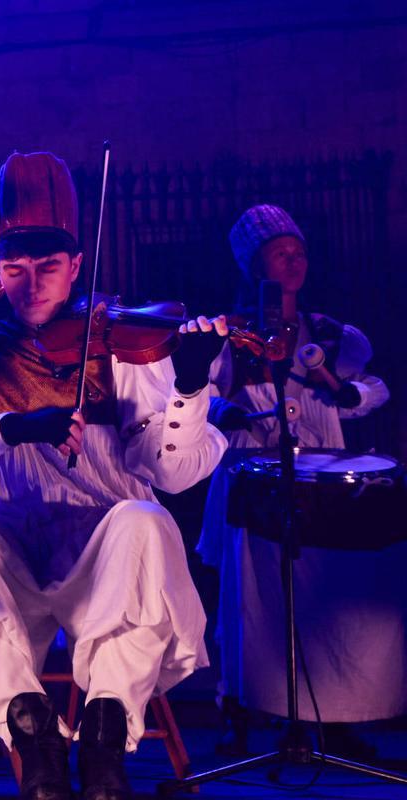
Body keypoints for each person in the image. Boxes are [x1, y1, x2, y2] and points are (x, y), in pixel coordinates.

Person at [0, 151, 228, 800]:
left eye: (48, 267)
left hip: (99, 570)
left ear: (77, 265)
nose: (32, 284)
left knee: (144, 519)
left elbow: (171, 472)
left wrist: (189, 389)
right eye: (14, 268)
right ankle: (32, 730)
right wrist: (16, 427)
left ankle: (105, 739)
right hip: (8, 569)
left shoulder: (123, 345)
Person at [199, 204, 402, 759]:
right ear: (253, 262)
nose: (292, 259)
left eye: (299, 250)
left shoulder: (335, 336)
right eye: (279, 250)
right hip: (250, 471)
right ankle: (236, 712)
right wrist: (227, 414)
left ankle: (333, 719)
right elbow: (202, 397)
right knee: (245, 597)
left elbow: (371, 390)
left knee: (318, 591)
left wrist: (341, 390)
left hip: (319, 475)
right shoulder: (229, 333)